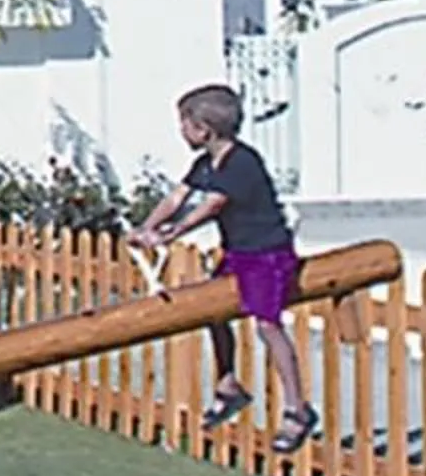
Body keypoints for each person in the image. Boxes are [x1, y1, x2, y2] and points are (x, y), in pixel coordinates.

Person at [130, 84, 319, 454]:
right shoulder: (205, 163)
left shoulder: (242, 162)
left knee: (267, 325)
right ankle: (229, 383)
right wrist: (146, 227)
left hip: (267, 254)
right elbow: (177, 197)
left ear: (204, 129)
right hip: (237, 254)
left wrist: (173, 233)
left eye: (184, 124)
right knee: (214, 313)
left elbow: (213, 205)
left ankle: (298, 408)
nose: (181, 131)